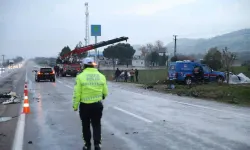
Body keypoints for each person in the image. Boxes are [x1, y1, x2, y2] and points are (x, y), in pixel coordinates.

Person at [73, 57, 108, 150]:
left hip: (85, 106)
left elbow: (77, 93)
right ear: (93, 65)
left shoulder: (80, 77)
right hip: (97, 105)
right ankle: (97, 144)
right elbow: (105, 92)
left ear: (84, 65)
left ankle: (87, 145)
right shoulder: (101, 76)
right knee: (96, 125)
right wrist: (101, 97)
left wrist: (75, 105)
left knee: (85, 125)